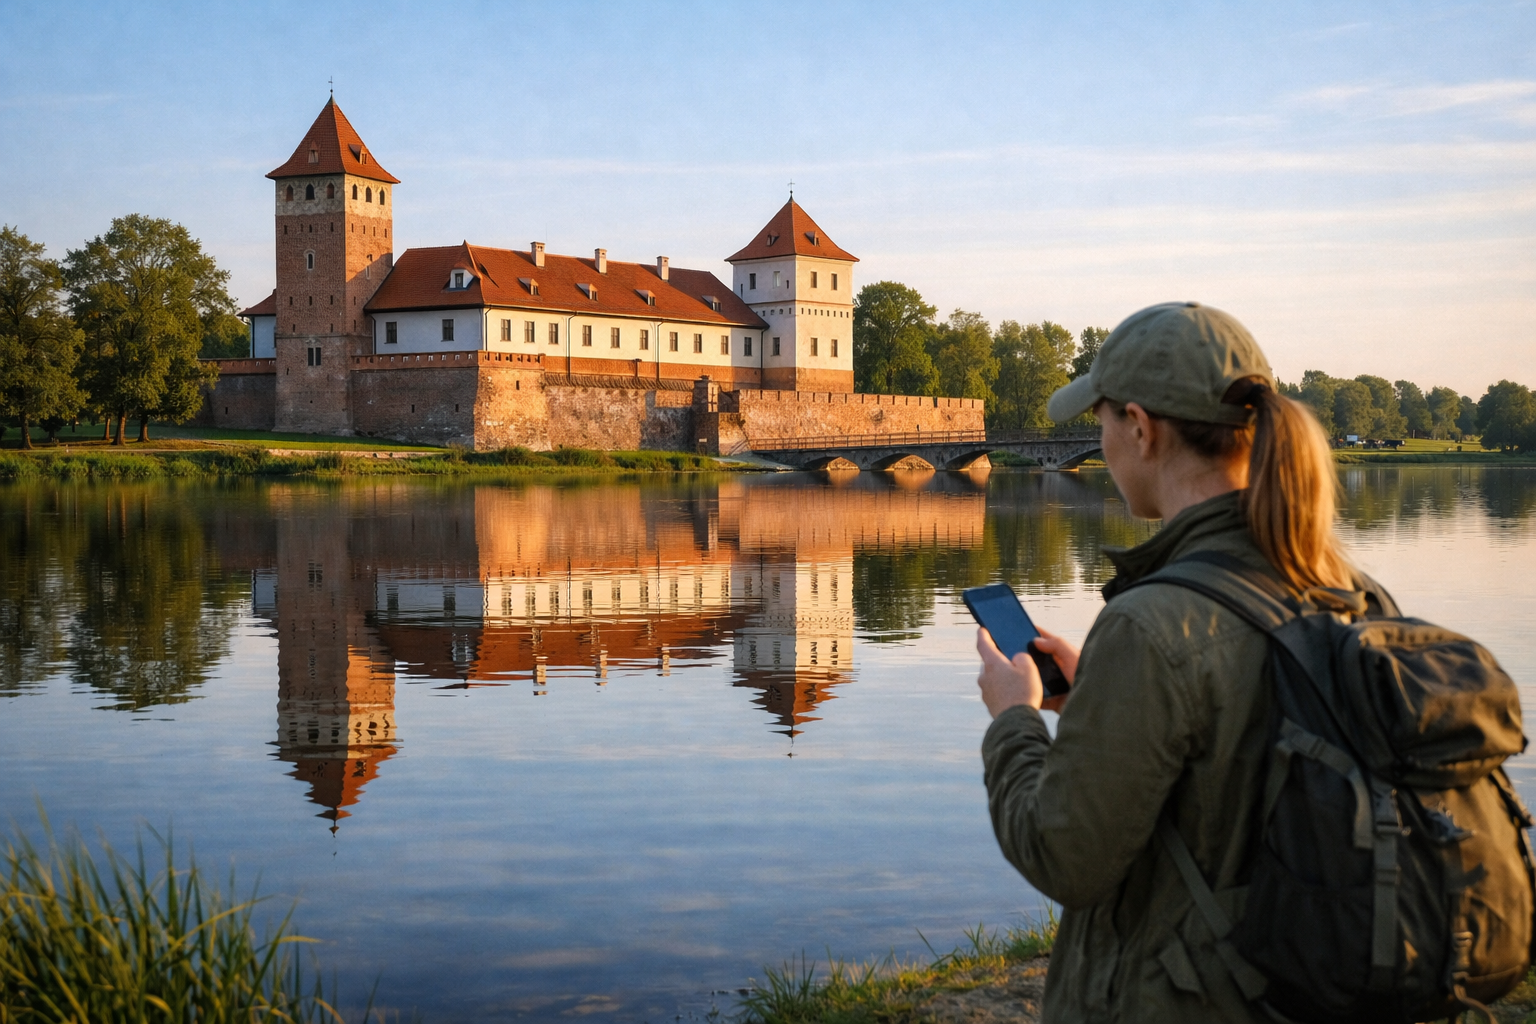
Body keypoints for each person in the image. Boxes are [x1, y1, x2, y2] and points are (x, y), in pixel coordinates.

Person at [976, 301, 1354, 1023]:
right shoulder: (1346, 588)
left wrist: (1016, 720)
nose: (1102, 439)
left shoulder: (1151, 626)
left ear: (1140, 428)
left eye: (1102, 422)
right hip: (1309, 986)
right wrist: (1101, 696)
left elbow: (1062, 856)